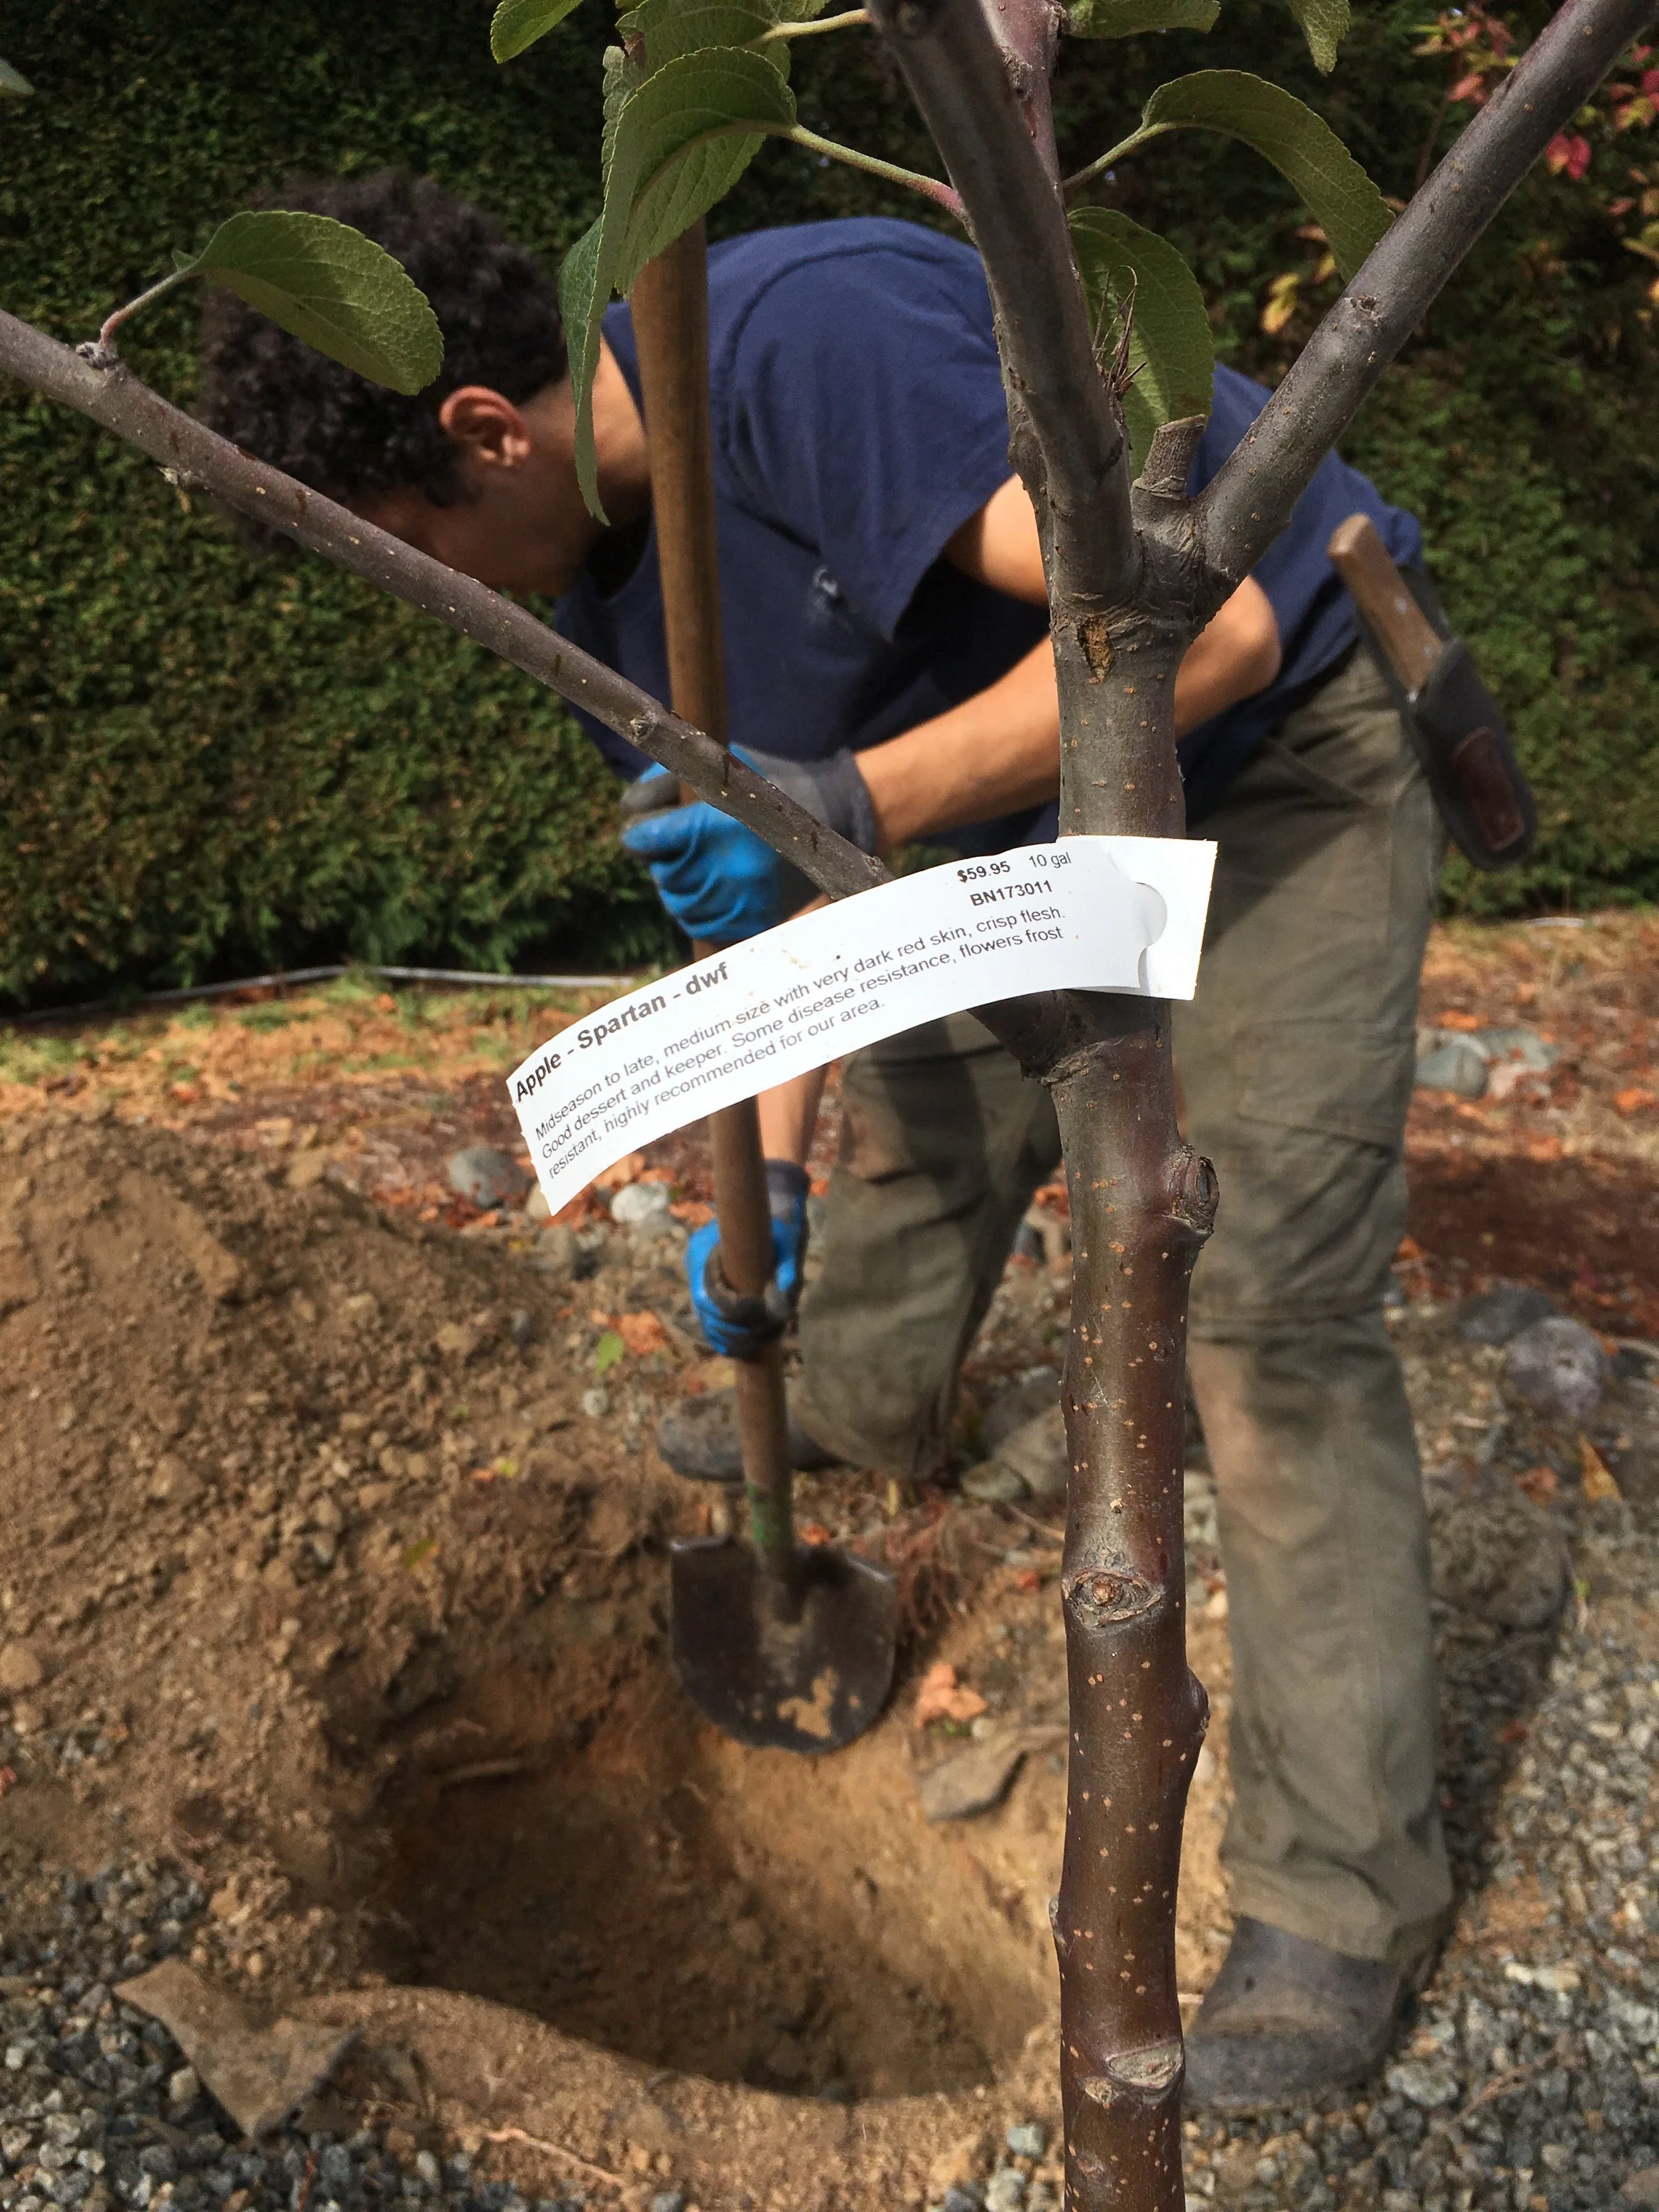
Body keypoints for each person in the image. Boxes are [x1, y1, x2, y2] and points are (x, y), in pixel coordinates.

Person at [200, 171, 1451, 2110]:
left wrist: (846, 789)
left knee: (1266, 1316)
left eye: (432, 548)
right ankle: (860, 1399)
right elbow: (774, 903)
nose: (460, 598)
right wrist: (760, 1180)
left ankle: (1339, 1898)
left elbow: (1191, 642)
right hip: (987, 813)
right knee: (920, 1142)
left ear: (477, 431)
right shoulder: (605, 590)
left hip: (1277, 752)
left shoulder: (805, 343)